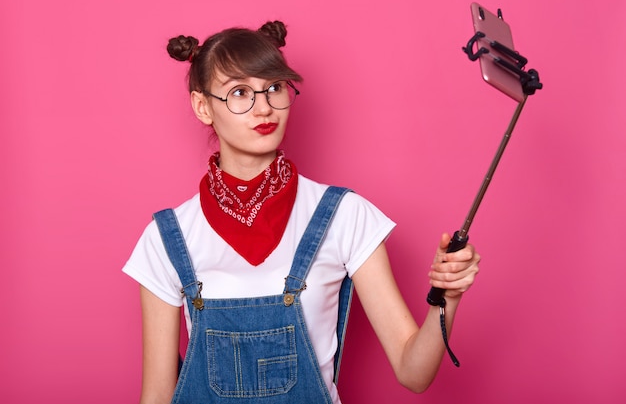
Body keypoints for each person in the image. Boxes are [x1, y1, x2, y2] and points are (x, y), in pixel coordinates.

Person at [123, 20, 481, 404]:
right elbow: (157, 396)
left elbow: (414, 373)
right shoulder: (167, 237)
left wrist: (448, 295)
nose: (264, 108)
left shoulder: (344, 216)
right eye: (240, 93)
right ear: (202, 106)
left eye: (274, 87)